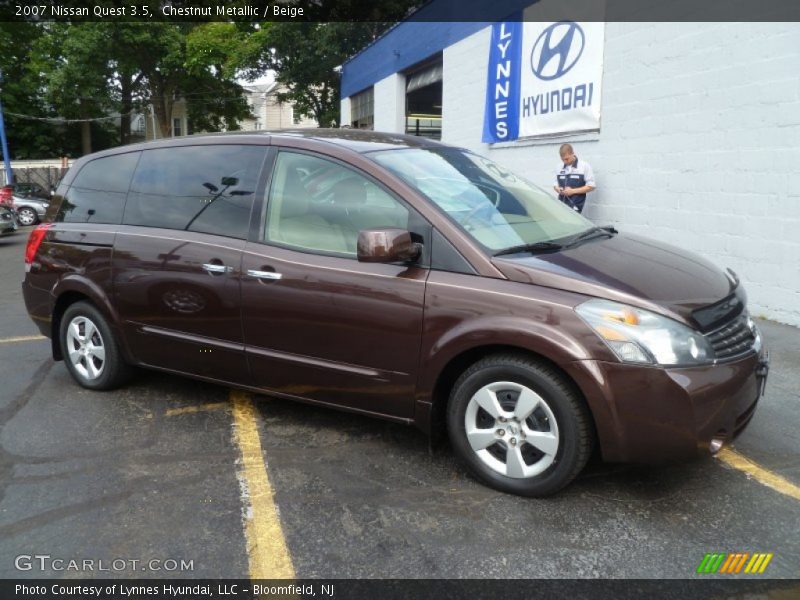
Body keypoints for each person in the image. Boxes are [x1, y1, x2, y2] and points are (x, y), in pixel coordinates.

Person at [553, 143, 595, 214]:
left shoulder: (584, 166)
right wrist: (558, 189)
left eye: (567, 159)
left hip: (575, 207)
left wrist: (572, 191)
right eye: (562, 160)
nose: (565, 162)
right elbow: (555, 184)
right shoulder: (558, 167)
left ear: (572, 153)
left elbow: (591, 186)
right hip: (561, 206)